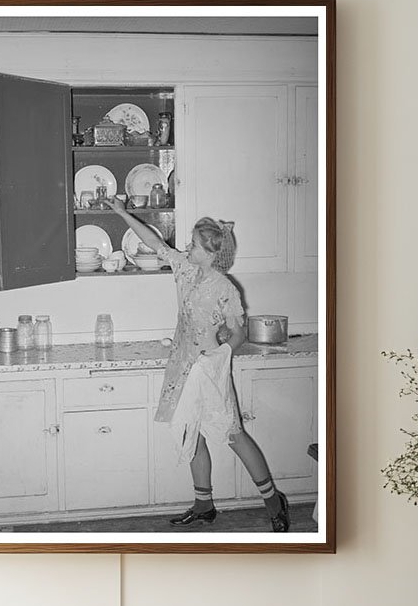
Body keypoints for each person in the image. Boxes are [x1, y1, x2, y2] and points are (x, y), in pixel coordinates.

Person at [105, 197, 290, 532]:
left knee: (233, 435)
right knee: (191, 434)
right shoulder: (184, 269)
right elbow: (153, 241)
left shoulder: (225, 289)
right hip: (182, 367)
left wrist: (221, 355)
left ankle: (273, 500)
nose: (187, 246)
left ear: (211, 251)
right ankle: (203, 505)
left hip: (209, 370)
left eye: (194, 243)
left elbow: (238, 330)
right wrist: (121, 212)